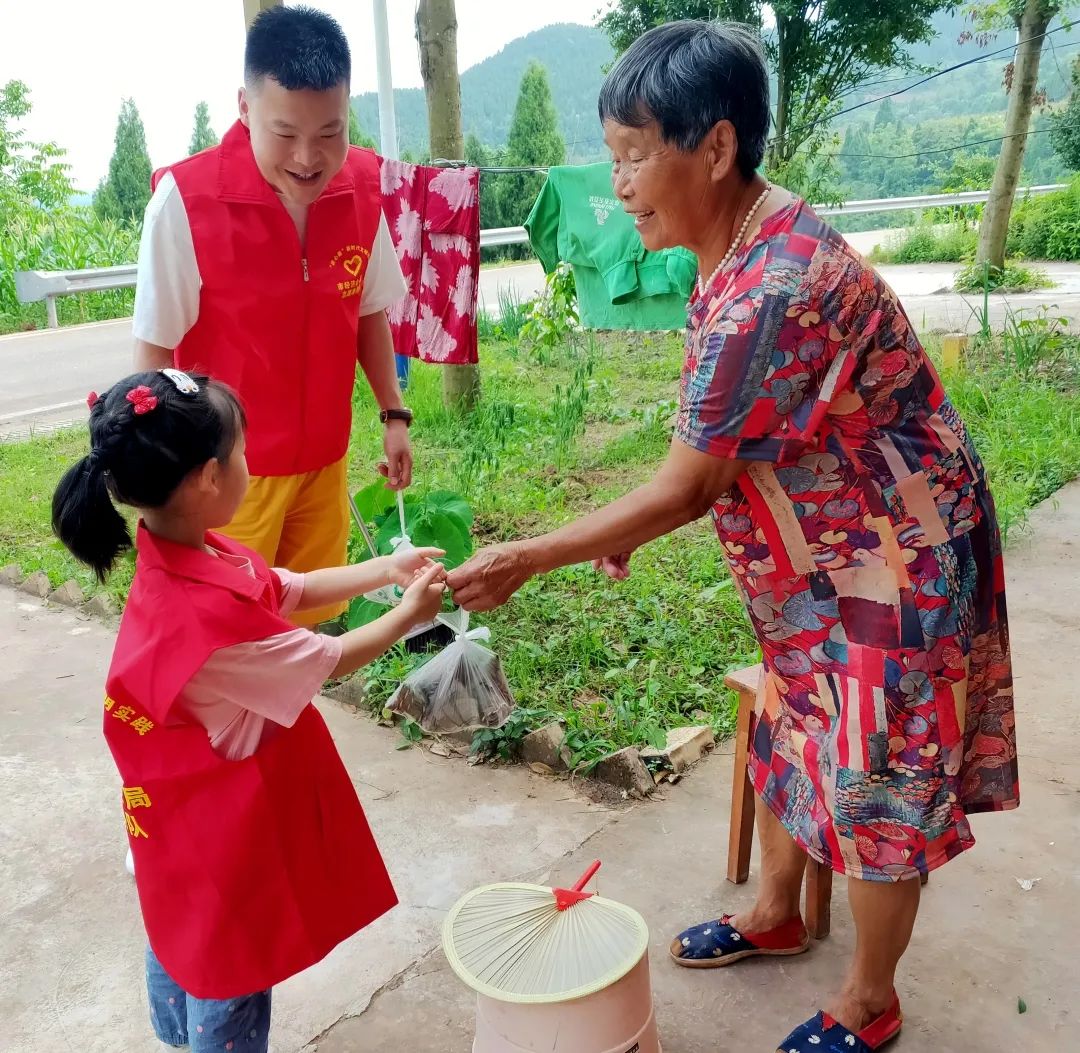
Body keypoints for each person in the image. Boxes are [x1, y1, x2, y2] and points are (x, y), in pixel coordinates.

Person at [447, 20, 1018, 1053]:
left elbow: (687, 482)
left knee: (876, 775)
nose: (619, 183)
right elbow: (726, 446)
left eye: (635, 154)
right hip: (818, 549)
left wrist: (530, 556)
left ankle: (871, 999)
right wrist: (640, 521)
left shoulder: (774, 287)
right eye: (613, 155)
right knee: (793, 721)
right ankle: (776, 911)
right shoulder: (739, 236)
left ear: (714, 148)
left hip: (896, 559)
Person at [52, 369, 446, 1053]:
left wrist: (387, 570)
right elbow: (328, 657)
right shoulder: (213, 626)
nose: (250, 463)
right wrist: (409, 615)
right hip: (223, 851)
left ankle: (178, 1032)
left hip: (180, 823)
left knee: (180, 933)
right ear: (208, 478)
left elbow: (289, 587)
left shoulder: (185, 554)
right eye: (241, 453)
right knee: (228, 975)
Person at [132, 5, 413, 630]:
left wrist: (393, 414)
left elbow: (367, 310)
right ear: (244, 106)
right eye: (285, 133)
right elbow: (152, 356)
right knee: (227, 633)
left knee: (306, 626)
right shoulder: (188, 201)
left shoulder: (362, 188)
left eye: (330, 132)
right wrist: (167, 479)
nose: (308, 158)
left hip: (324, 462)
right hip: (225, 476)